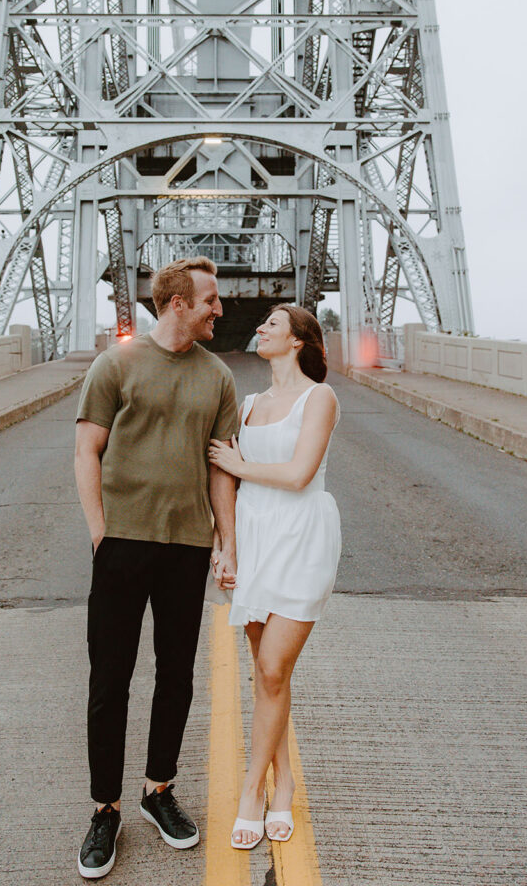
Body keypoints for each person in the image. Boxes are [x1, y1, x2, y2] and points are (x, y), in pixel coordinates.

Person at [74, 256, 238, 879]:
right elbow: (87, 451)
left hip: (187, 546)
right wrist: (100, 532)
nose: (219, 308)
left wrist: (225, 542)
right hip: (122, 543)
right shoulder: (116, 365)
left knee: (176, 675)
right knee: (110, 678)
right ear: (177, 303)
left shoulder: (218, 376)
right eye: (210, 300)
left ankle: (157, 790)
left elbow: (220, 468)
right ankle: (105, 809)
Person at [208, 304, 341, 849]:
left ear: (298, 341)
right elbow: (227, 484)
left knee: (272, 666)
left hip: (302, 537)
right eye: (261, 323)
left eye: (272, 325)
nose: (260, 329)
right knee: (269, 678)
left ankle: (250, 792)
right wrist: (226, 547)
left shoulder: (319, 398)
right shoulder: (249, 405)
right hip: (255, 538)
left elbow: (299, 473)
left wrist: (239, 465)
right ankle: (282, 782)